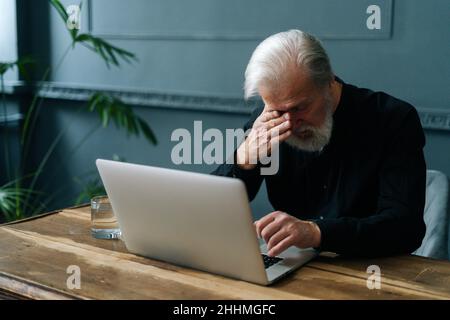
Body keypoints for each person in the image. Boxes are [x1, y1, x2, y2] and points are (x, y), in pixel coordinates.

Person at [212, 30, 426, 258]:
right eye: (276, 109)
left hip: (373, 269)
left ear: (329, 81)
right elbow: (212, 208)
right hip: (293, 266)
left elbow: (405, 229)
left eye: (298, 108)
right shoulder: (265, 121)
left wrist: (316, 233)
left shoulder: (393, 120)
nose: (289, 123)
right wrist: (244, 160)